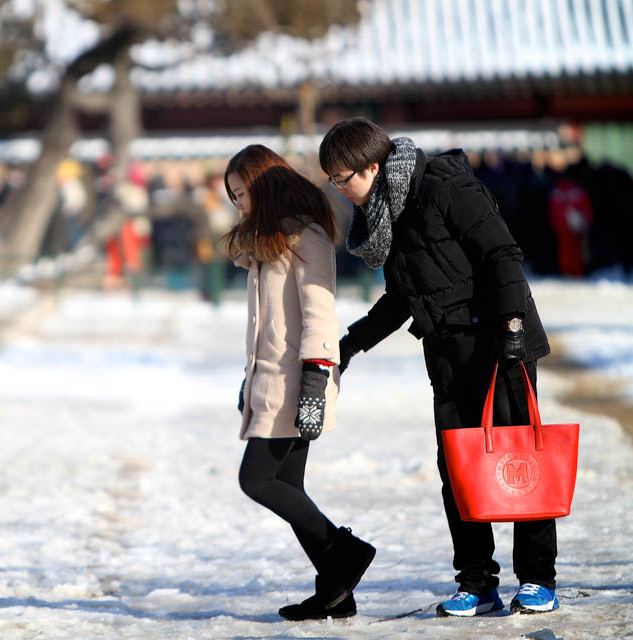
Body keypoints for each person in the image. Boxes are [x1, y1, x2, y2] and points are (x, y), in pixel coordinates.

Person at [318, 118, 556, 616]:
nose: (340, 190)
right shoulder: (391, 210)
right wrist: (351, 343)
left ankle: (537, 577)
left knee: (517, 460)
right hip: (447, 350)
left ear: (374, 166)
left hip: (499, 342)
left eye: (343, 179)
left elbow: (502, 254)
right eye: (333, 181)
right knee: (459, 469)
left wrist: (512, 327)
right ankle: (476, 581)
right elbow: (403, 295)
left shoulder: (444, 187)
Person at [222, 144, 376, 621]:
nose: (238, 204)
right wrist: (250, 379)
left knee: (256, 479)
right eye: (232, 197)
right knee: (287, 484)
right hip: (271, 381)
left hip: (298, 381)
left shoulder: (305, 237)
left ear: (264, 186)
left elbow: (318, 316)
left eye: (241, 193)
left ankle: (345, 553)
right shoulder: (269, 241)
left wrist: (315, 380)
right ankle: (336, 590)